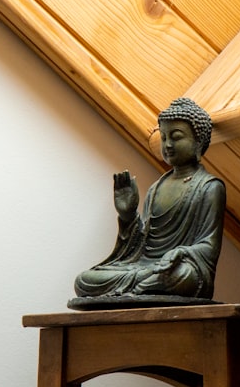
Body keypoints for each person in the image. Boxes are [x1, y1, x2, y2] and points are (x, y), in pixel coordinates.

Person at [73, 98, 226, 302]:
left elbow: (209, 246)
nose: (168, 144)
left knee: (183, 276)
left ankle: (137, 290)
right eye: (163, 137)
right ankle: (141, 289)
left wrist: (179, 253)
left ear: (199, 142)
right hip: (145, 267)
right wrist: (127, 215)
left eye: (176, 137)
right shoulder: (156, 188)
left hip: (176, 268)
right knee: (84, 281)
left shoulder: (209, 187)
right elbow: (141, 246)